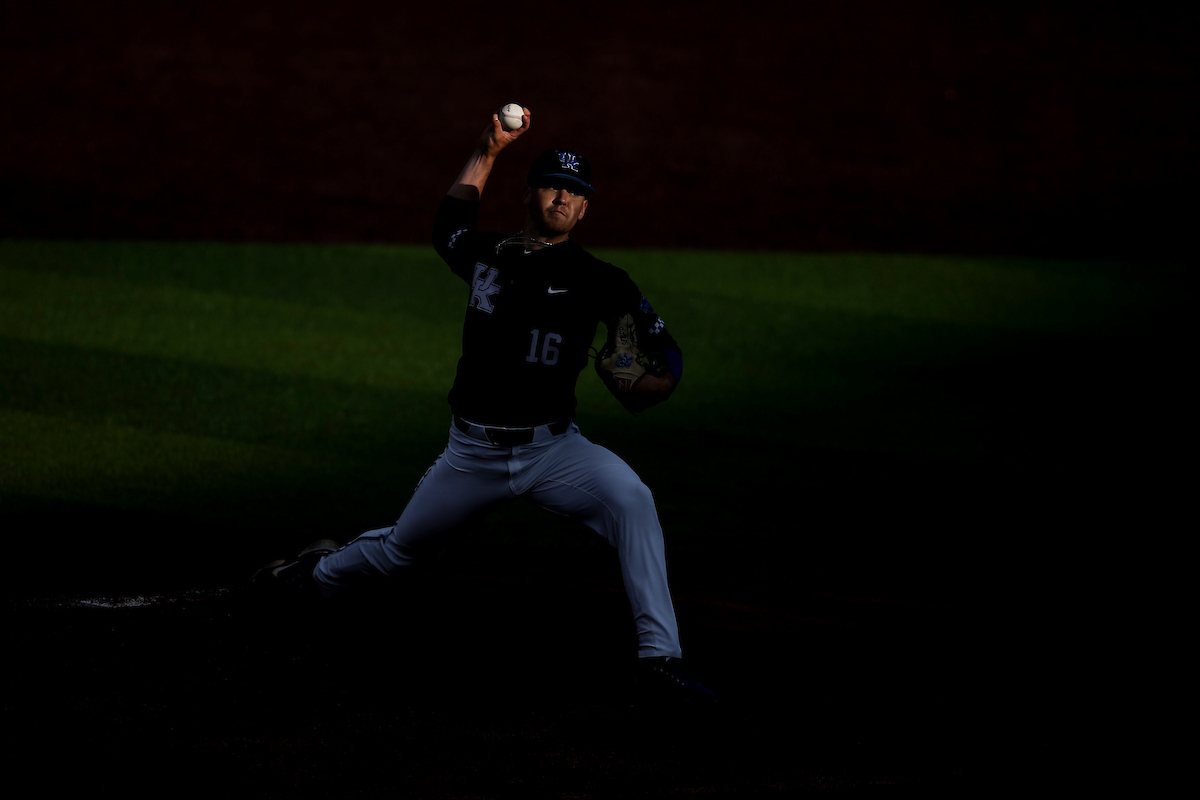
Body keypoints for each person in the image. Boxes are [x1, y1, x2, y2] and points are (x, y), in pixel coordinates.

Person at [254, 106, 712, 702]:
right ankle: (314, 577)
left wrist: (652, 385)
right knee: (401, 553)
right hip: (472, 453)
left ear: (585, 207)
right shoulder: (489, 256)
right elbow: (447, 224)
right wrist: (489, 148)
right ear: (531, 192)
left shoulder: (603, 281)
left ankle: (660, 658)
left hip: (555, 450)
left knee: (633, 499)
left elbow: (665, 353)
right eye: (554, 185)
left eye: (576, 192)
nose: (563, 198)